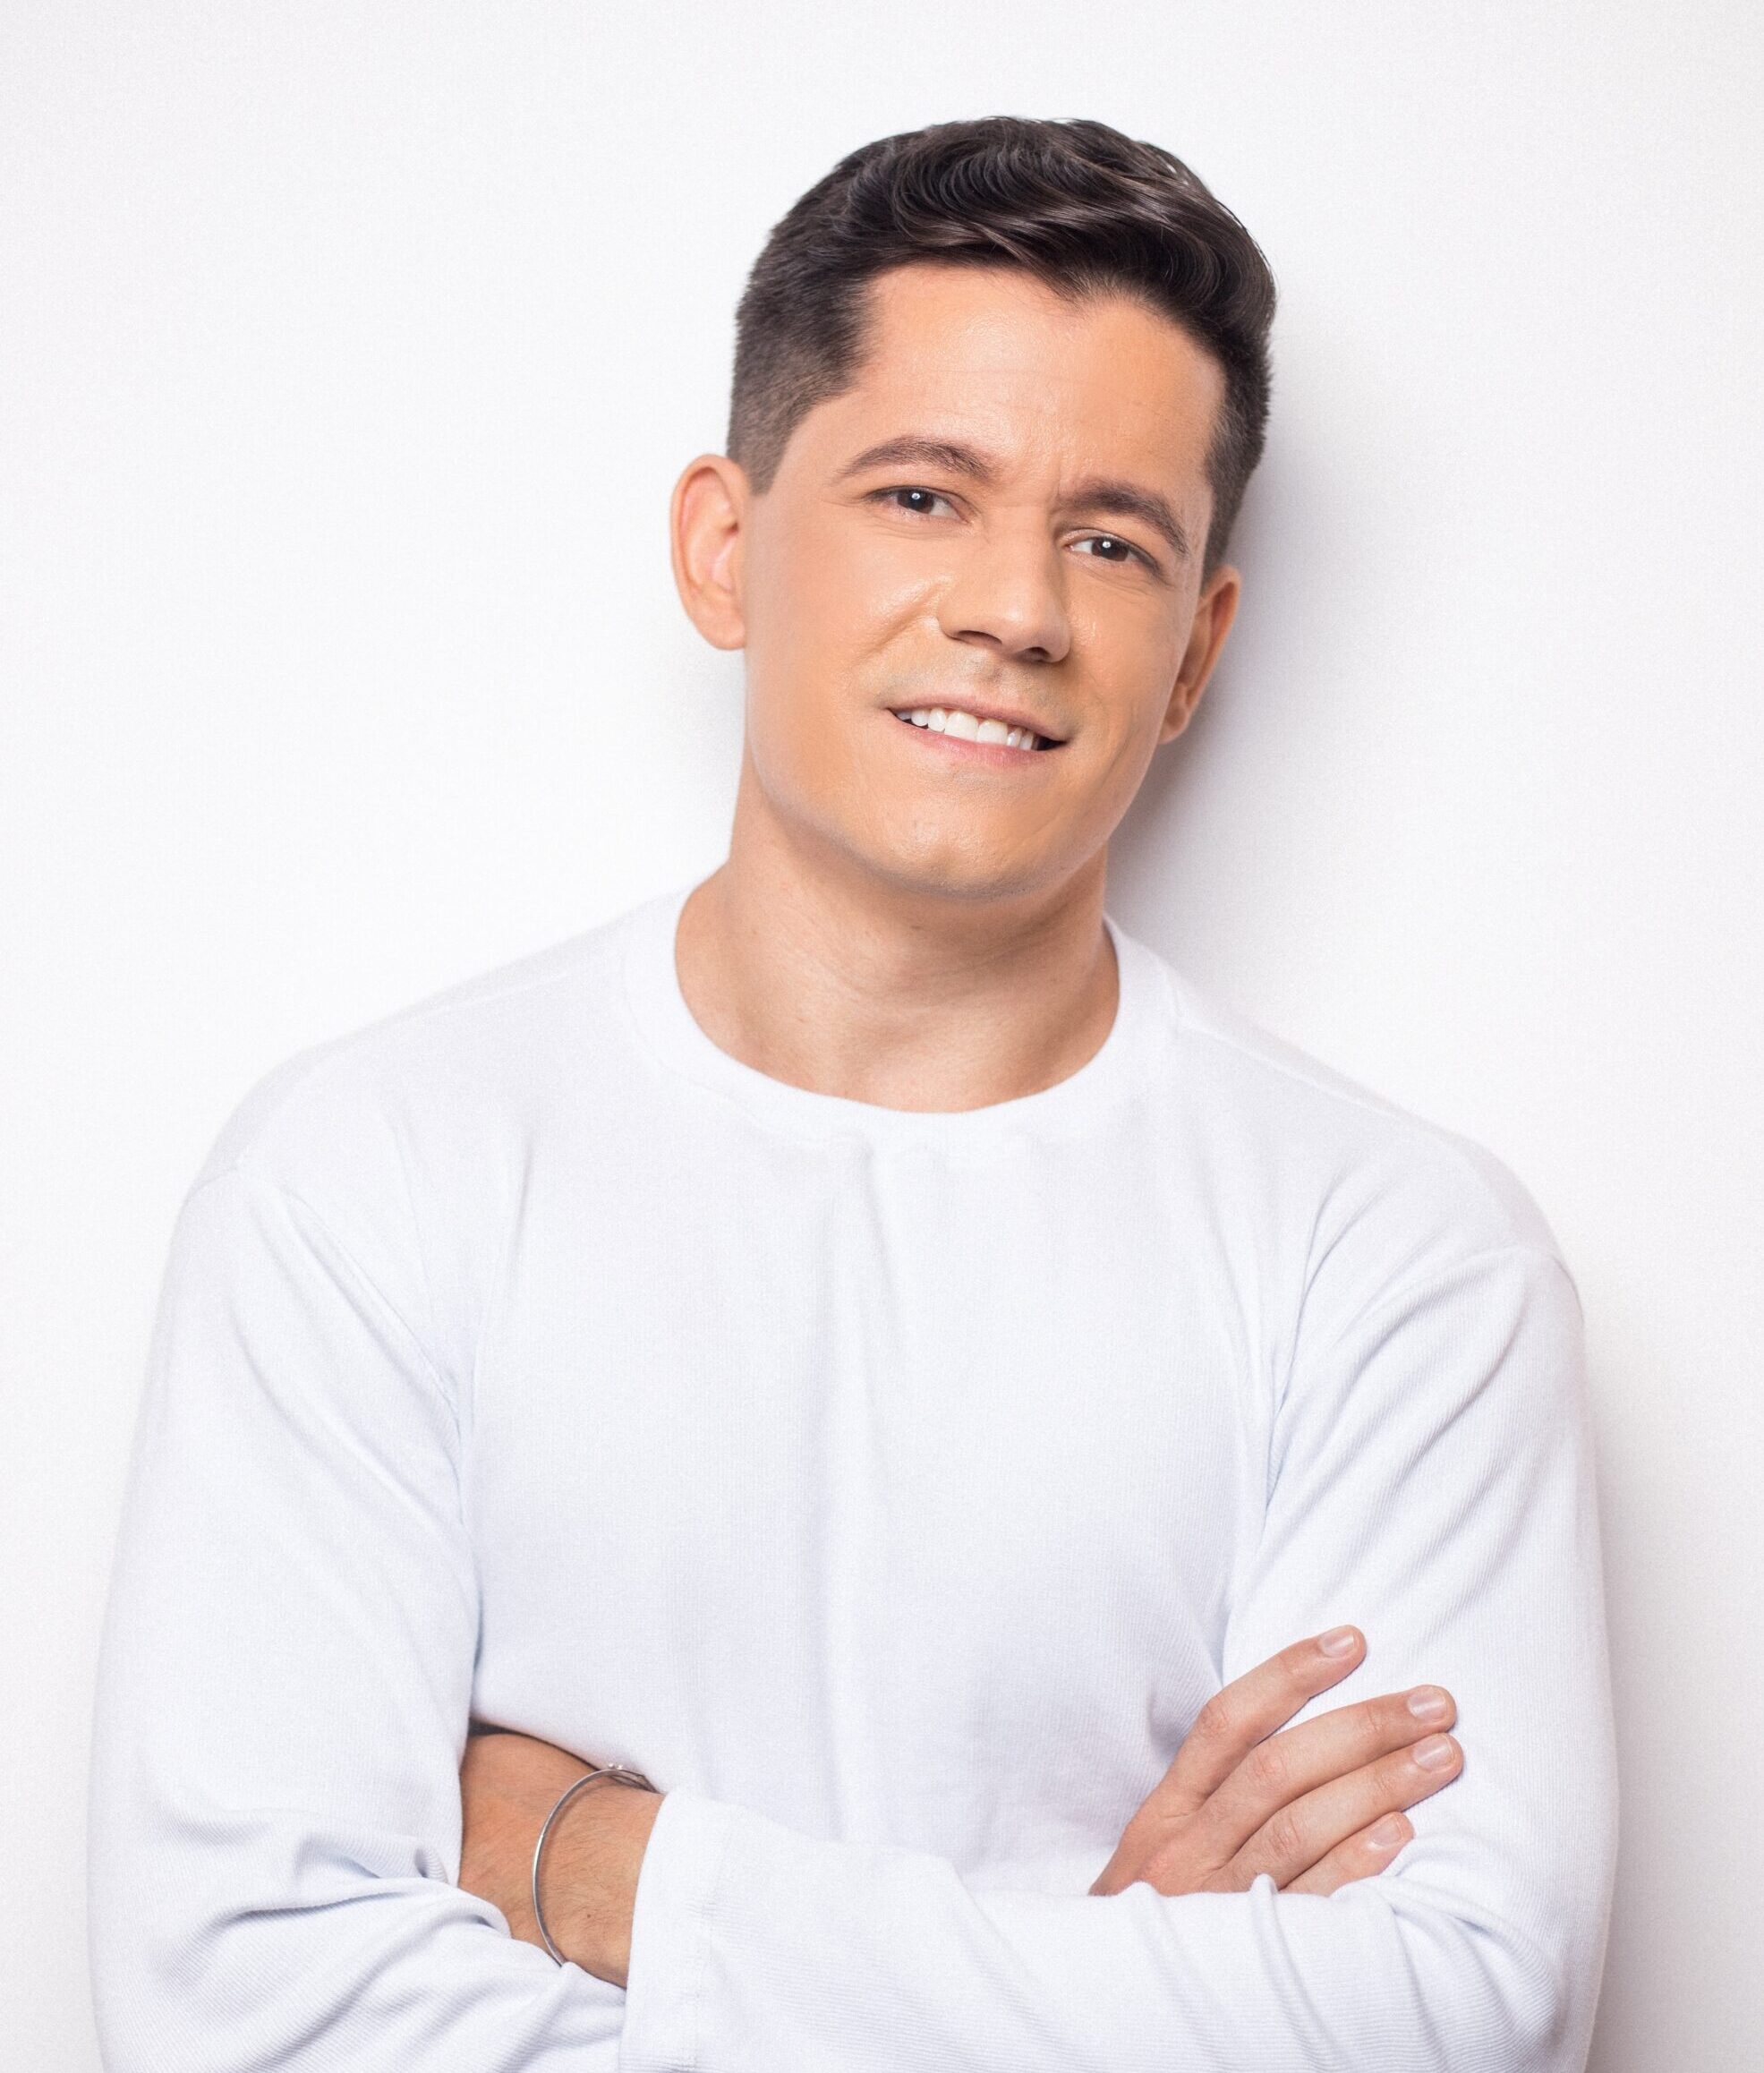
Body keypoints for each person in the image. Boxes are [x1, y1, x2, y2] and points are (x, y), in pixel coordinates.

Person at [86, 115, 1618, 2070]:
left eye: (1111, 540)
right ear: (723, 550)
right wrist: (1103, 1983)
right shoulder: (368, 1177)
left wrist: (611, 1870)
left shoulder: (1397, 1258)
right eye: (920, 495)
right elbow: (236, 2010)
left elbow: (1464, 2018)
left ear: (1193, 653)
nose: (1015, 608)